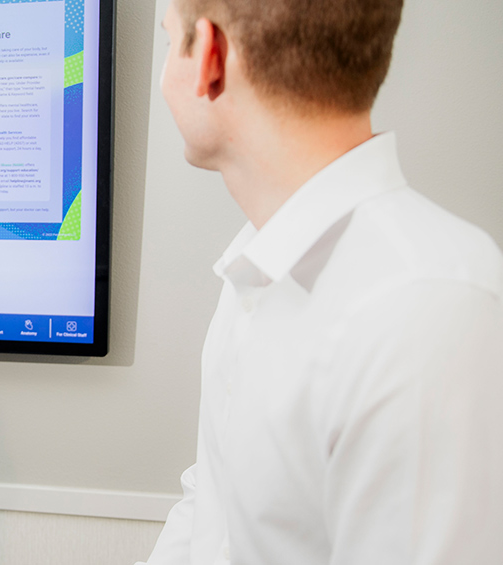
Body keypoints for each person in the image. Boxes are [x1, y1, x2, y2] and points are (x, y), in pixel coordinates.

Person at [143, 0, 503, 563]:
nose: (164, 73)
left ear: (209, 57)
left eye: (169, 43)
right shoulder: (252, 273)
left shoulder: (429, 304)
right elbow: (211, 509)